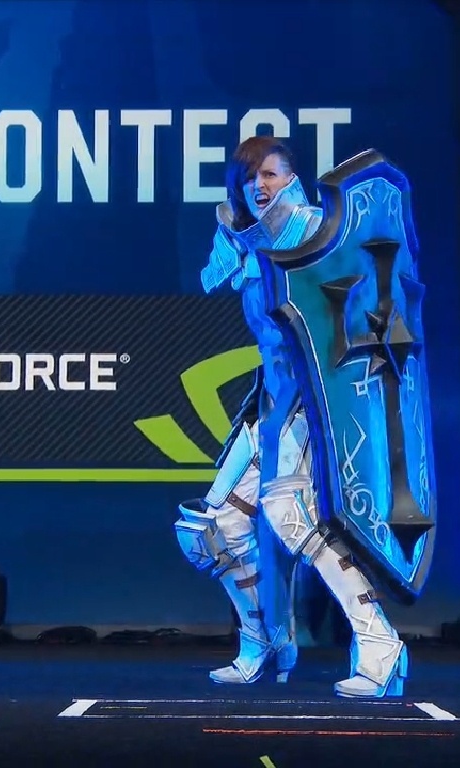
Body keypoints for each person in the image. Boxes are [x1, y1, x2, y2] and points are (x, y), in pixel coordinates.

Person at [173, 136, 410, 698]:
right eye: (251, 176)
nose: (260, 185)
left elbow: (363, 305)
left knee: (287, 514)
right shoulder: (244, 237)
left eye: (271, 174)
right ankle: (265, 643)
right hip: (272, 400)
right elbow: (217, 282)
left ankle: (380, 643)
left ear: (291, 178)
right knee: (214, 529)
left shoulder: (315, 232)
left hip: (315, 398)